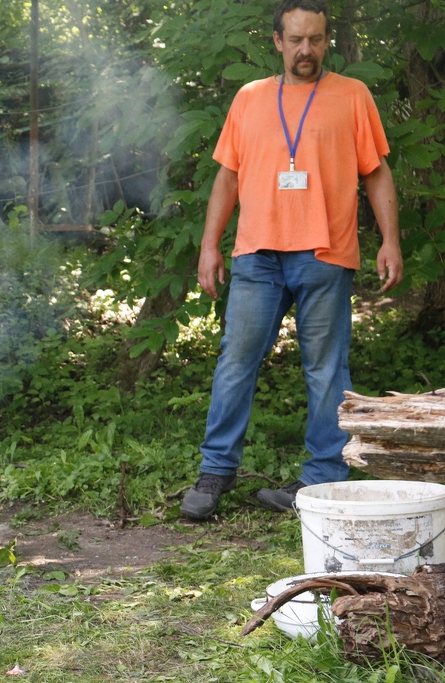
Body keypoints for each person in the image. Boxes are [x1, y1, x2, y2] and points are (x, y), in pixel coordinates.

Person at [180, 0, 403, 520]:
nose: (307, 50)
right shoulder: (250, 97)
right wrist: (210, 245)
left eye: (316, 39)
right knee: (235, 362)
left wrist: (390, 240)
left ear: (327, 40)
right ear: (278, 41)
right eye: (297, 39)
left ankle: (322, 479)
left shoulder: (352, 94)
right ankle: (215, 473)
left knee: (327, 370)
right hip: (258, 254)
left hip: (325, 254)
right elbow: (228, 176)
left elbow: (376, 172)